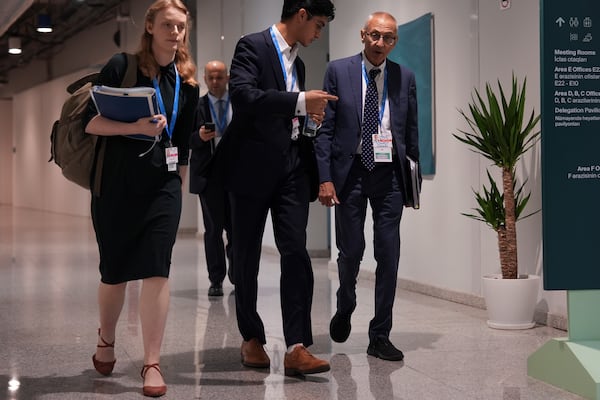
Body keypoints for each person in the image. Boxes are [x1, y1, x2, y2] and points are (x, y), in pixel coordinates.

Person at [84, 0, 199, 396]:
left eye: (181, 27)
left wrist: (178, 185)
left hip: (163, 188)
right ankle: (107, 339)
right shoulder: (121, 66)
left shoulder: (188, 83)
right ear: (150, 26)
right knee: (114, 272)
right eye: (168, 25)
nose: (175, 33)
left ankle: (152, 362)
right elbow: (91, 123)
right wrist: (134, 126)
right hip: (115, 187)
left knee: (157, 270)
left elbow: (182, 145)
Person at [217, 0, 337, 376]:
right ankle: (252, 337)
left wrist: (308, 116)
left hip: (290, 170)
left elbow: (290, 116)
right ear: (300, 15)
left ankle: (297, 346)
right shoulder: (251, 46)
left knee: (296, 253)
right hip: (249, 169)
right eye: (317, 25)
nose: (318, 34)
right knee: (246, 256)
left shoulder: (298, 62)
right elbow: (243, 96)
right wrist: (301, 100)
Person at [314, 11, 420, 362]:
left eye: (388, 38)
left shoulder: (403, 77)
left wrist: (412, 184)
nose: (380, 43)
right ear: (363, 35)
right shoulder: (339, 71)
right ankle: (345, 303)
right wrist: (325, 178)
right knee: (352, 251)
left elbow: (411, 134)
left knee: (389, 254)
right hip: (351, 173)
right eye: (375, 35)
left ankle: (380, 335)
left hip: (389, 175)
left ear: (395, 42)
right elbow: (325, 130)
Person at [189, 60, 234, 297]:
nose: (215, 82)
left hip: (237, 176)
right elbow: (185, 139)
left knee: (237, 229)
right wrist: (199, 137)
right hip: (208, 177)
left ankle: (237, 275)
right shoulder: (196, 107)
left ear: (227, 77)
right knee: (213, 230)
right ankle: (216, 279)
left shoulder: (239, 104)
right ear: (205, 79)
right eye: (211, 78)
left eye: (220, 77)